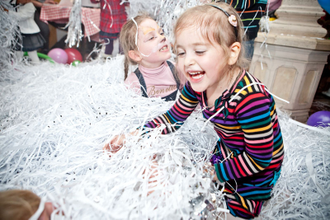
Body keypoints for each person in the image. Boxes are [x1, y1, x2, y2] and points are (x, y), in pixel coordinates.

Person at [104, 2, 284, 219]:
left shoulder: (250, 99)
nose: (188, 61)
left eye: (199, 51)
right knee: (191, 195)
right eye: (180, 53)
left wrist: (214, 174)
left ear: (231, 53)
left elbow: (259, 158)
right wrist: (134, 135)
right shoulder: (197, 83)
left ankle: (267, 198)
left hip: (255, 168)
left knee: (227, 210)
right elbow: (173, 118)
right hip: (229, 151)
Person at [120, 14, 185, 101]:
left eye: (161, 33)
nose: (162, 37)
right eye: (151, 38)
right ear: (136, 55)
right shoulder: (133, 84)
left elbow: (192, 99)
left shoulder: (177, 70)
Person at [8, 0, 47, 65]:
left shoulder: (30, 6)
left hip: (29, 32)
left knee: (31, 50)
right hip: (19, 32)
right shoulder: (15, 5)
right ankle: (17, 64)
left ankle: (36, 64)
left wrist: (8, 12)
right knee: (18, 50)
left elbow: (21, 16)